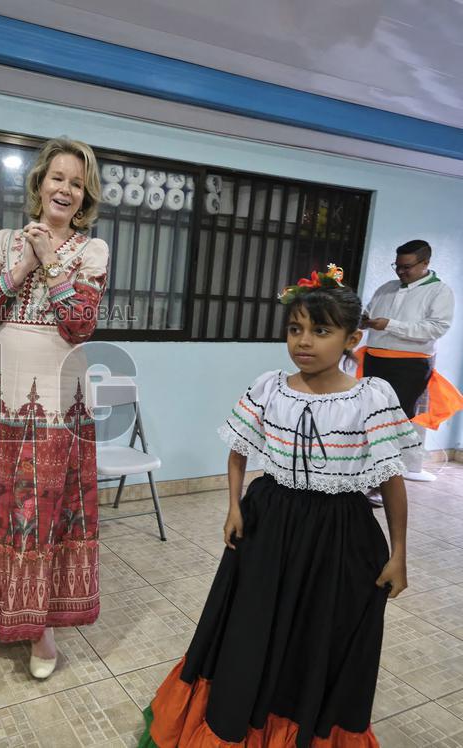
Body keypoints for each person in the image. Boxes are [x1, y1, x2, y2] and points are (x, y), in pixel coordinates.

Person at [138, 265, 419, 747]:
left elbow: (392, 481)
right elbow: (237, 451)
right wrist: (233, 506)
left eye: (321, 331)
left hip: (339, 532)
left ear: (352, 338)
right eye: (295, 329)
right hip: (270, 521)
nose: (304, 342)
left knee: (318, 634)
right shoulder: (271, 386)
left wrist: (399, 553)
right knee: (251, 627)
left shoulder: (372, 398)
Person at [0, 137, 109, 679]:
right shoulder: (4, 240)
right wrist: (18, 267)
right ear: (39, 182)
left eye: (77, 182)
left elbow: (80, 322)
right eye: (57, 177)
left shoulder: (93, 250)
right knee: (1, 496)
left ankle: (42, 628)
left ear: (85, 196)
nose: (65, 188)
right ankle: (4, 604)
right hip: (1, 391)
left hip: (57, 395)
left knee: (42, 506)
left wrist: (49, 261)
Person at [360, 239, 459, 481]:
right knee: (369, 417)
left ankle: (387, 478)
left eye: (408, 267)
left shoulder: (439, 291)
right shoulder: (387, 287)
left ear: (425, 263)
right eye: (398, 266)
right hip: (374, 360)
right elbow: (371, 314)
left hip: (409, 366)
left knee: (396, 421)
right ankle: (367, 472)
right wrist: (363, 321)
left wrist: (390, 325)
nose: (401, 271)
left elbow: (435, 328)